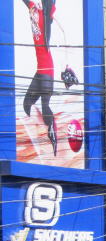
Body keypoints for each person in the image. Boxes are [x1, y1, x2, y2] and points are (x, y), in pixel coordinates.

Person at [22, 0, 58, 155]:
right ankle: (33, 139)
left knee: (45, 106)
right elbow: (27, 2)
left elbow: (51, 5)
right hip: (40, 70)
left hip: (47, 71)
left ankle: (53, 137)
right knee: (26, 103)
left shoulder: (46, 16)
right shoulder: (33, 9)